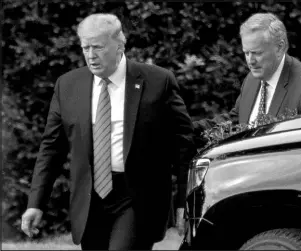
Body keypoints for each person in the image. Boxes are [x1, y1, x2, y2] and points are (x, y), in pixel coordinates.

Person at [21, 13, 196, 250]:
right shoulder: (68, 85)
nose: (91, 56)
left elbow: (183, 145)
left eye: (98, 48)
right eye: (85, 48)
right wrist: (36, 203)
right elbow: (51, 148)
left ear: (119, 45)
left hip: (137, 198)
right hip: (90, 200)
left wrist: (185, 201)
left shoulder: (157, 81)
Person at [194, 13, 301, 134]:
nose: (250, 61)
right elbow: (237, 122)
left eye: (257, 53)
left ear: (280, 47)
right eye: (246, 53)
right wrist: (187, 130)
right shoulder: (252, 78)